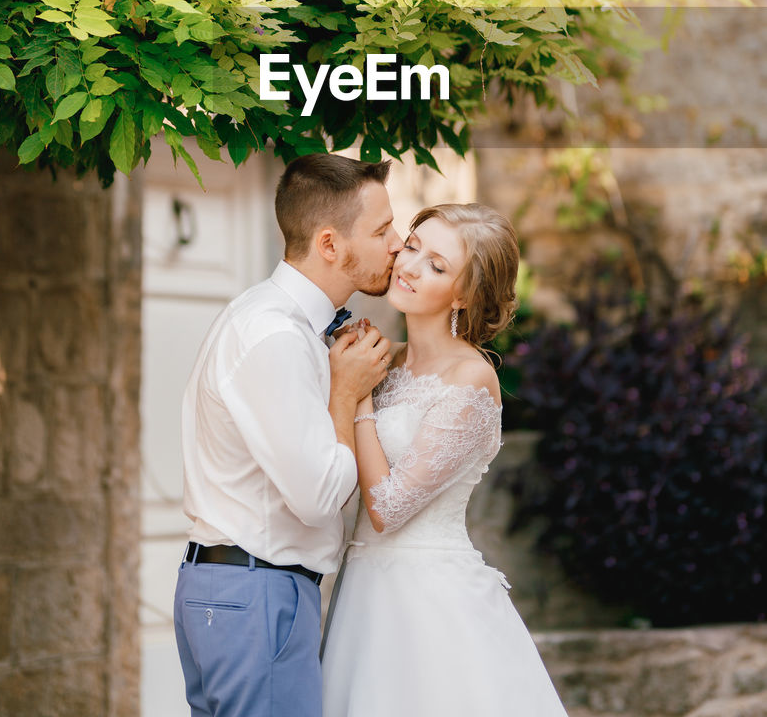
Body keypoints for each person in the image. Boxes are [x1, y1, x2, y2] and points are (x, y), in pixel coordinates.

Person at [175, 153, 402, 717]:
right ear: (330, 244)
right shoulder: (275, 335)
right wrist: (346, 396)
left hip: (236, 590)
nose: (397, 243)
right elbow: (319, 494)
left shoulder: (272, 321)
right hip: (259, 593)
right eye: (381, 230)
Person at [321, 202, 570, 717]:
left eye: (437, 265)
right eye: (412, 247)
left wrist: (358, 395)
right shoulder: (386, 364)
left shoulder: (471, 379)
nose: (410, 267)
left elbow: (388, 509)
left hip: (427, 604)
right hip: (363, 591)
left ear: (464, 293)